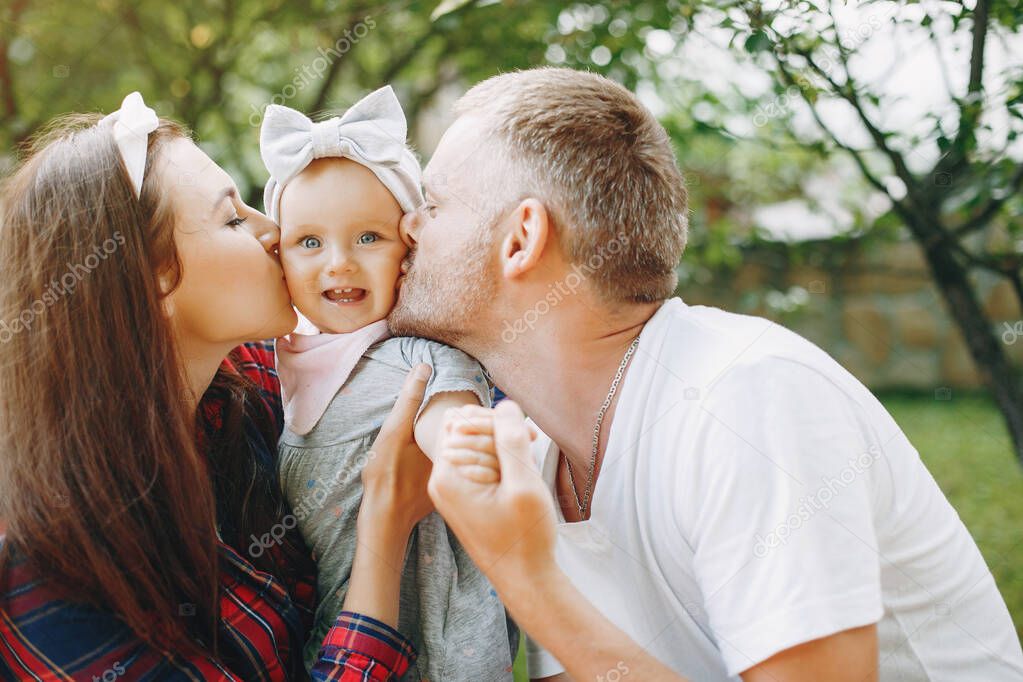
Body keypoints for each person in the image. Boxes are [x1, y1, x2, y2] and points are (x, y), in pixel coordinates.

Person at [390, 67, 1023, 681]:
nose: (405, 224)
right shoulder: (538, 463)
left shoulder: (747, 397)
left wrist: (526, 576)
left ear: (521, 238)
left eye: (434, 203)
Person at [0, 92, 430, 680]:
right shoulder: (49, 581)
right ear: (153, 279)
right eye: (232, 218)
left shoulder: (248, 384)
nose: (274, 231)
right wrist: (385, 526)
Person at [259, 86, 517, 679]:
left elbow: (448, 411)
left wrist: (463, 441)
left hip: (434, 644)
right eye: (309, 242)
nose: (339, 262)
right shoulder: (280, 362)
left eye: (368, 237)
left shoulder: (409, 355)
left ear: (408, 247)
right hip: (339, 638)